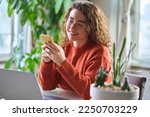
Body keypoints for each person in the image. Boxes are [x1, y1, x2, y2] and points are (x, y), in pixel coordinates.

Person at [38, 1, 112, 100]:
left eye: (80, 24)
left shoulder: (100, 53)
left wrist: (63, 62)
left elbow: (90, 94)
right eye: (71, 20)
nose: (72, 26)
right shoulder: (64, 47)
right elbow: (46, 86)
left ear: (91, 28)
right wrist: (47, 62)